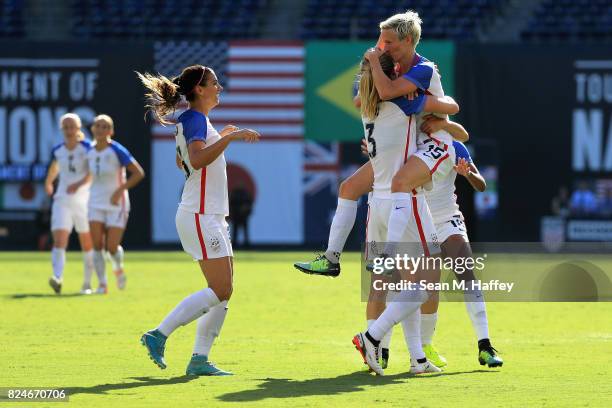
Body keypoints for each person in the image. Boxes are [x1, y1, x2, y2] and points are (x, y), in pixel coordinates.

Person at [137, 64, 259, 376]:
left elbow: (183, 161)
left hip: (208, 215)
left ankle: (199, 359)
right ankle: (158, 334)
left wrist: (223, 136)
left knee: (224, 290)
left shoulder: (195, 120)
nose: (220, 87)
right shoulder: (193, 118)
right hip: (200, 215)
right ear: (200, 90)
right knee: (220, 289)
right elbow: (196, 159)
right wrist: (230, 138)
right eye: (215, 83)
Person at [87, 114, 145, 294]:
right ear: (92, 129)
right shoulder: (88, 150)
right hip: (95, 202)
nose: (100, 129)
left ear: (111, 131)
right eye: (98, 125)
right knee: (97, 245)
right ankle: (102, 284)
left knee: (111, 247)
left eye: (105, 126)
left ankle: (118, 268)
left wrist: (120, 190)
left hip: (116, 203)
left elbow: (138, 173)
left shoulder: (117, 150)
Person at [44, 113, 95, 295]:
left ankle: (87, 283)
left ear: (78, 128)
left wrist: (78, 184)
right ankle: (57, 277)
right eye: (65, 127)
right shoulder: (58, 150)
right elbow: (54, 167)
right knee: (59, 240)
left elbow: (92, 173)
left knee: (86, 242)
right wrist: (49, 182)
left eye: (72, 126)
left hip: (84, 200)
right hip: (62, 199)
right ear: (61, 129)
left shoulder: (87, 147)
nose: (69, 130)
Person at [229, 182, 253, 247]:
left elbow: (250, 204)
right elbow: (230, 204)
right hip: (236, 215)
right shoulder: (234, 193)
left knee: (245, 231)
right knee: (235, 231)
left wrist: (246, 211)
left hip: (244, 216)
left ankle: (246, 244)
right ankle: (234, 244)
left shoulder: (246, 194)